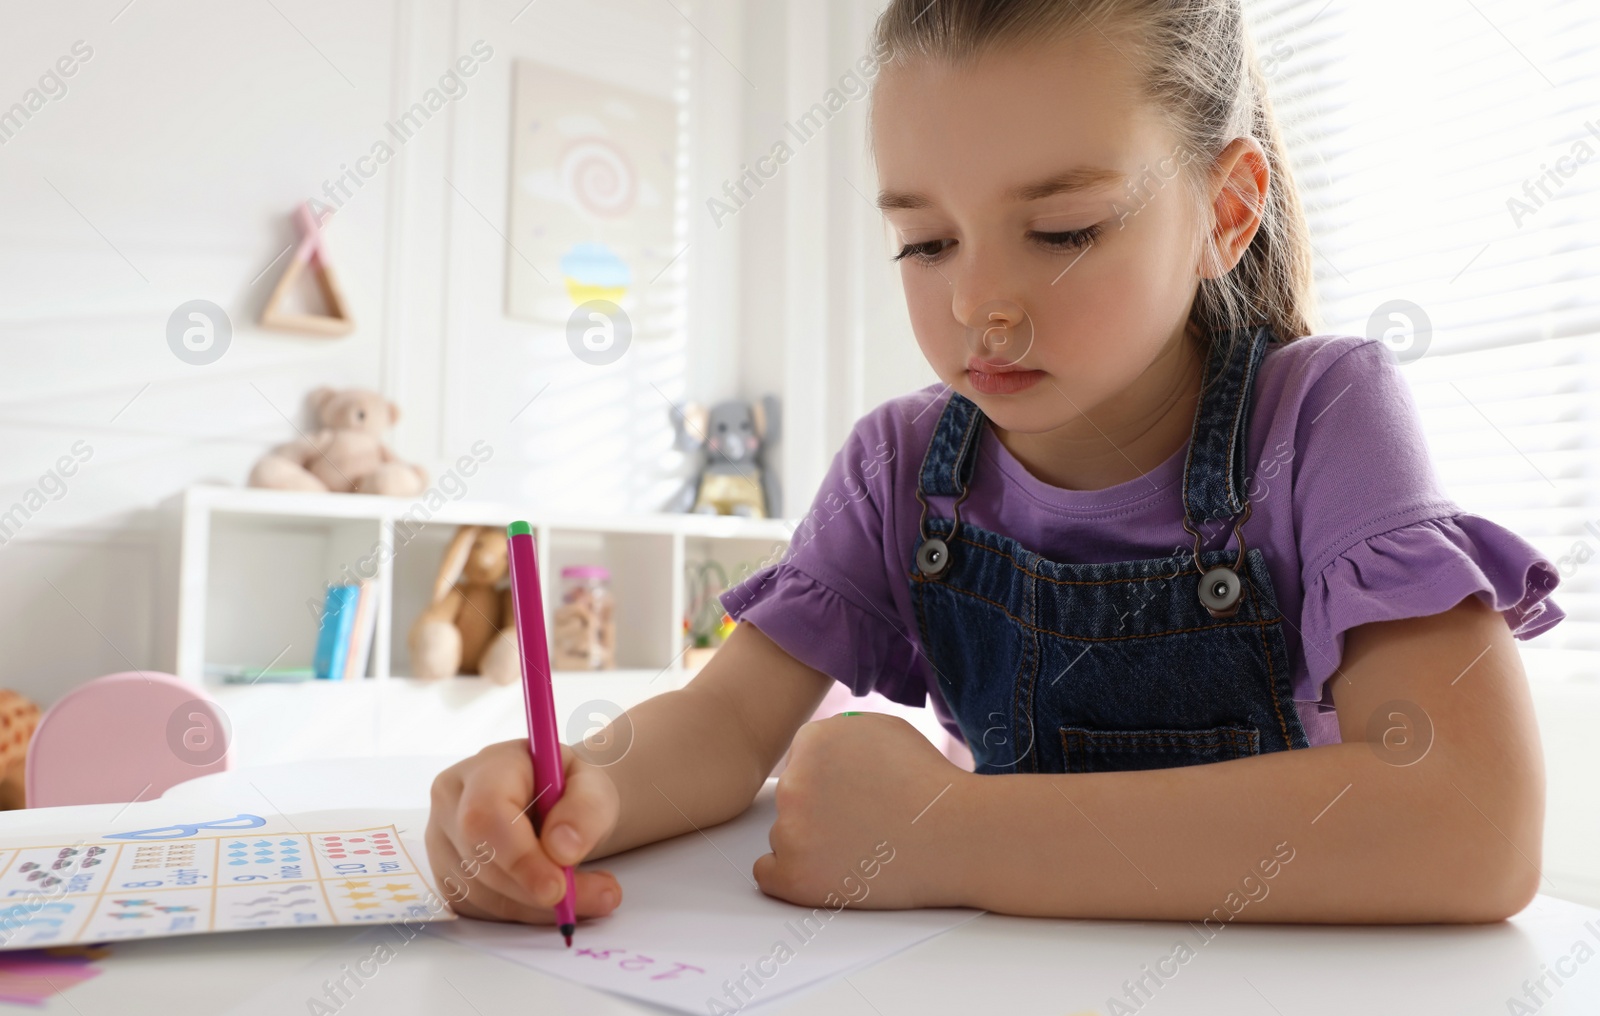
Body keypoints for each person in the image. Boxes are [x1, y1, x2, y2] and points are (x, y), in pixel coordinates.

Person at [428, 0, 1565, 925]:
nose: (977, 301)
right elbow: (724, 726)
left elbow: (1471, 824)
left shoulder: (1320, 417)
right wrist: (579, 782)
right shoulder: (901, 463)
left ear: (1225, 211)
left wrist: (950, 834)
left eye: (1064, 229)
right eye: (924, 242)